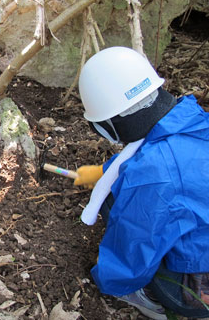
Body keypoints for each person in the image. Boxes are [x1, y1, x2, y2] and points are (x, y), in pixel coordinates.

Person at [72, 46, 209, 319]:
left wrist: (108, 278)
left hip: (201, 285)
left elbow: (137, 242)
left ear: (109, 124)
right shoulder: (194, 121)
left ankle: (152, 300)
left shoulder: (151, 177)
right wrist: (104, 171)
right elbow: (154, 144)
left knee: (119, 202)